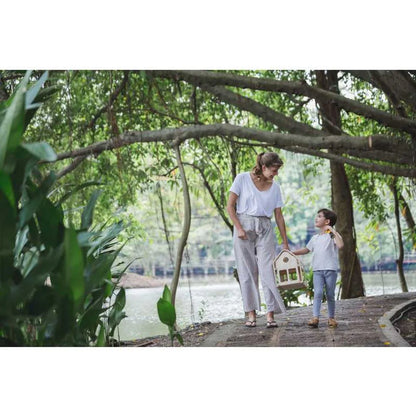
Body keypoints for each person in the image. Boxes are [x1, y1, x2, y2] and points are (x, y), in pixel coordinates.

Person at [226, 152, 289, 329]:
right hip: (244, 225)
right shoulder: (242, 179)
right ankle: (251, 314)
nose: (276, 174)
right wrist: (238, 228)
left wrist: (285, 242)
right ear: (263, 167)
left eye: (277, 170)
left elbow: (279, 215)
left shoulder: (275, 187)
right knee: (247, 271)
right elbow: (230, 206)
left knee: (267, 269)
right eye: (273, 170)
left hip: (265, 226)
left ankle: (270, 314)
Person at [292, 208, 344, 328]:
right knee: (318, 293)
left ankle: (331, 318)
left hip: (330, 269)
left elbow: (340, 245)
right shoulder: (315, 238)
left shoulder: (332, 236)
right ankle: (315, 318)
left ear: (327, 221)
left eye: (319, 216)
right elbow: (306, 250)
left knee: (330, 294)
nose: (316, 218)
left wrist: (331, 230)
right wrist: (292, 252)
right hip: (317, 270)